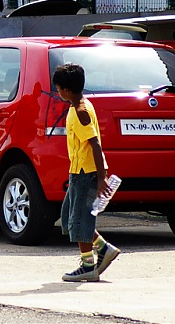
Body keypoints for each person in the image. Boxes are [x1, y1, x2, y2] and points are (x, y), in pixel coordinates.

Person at [53, 63, 120, 282]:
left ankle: (88, 265)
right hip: (78, 171)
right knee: (70, 218)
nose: (57, 92)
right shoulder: (79, 105)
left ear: (66, 90)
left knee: (80, 221)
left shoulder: (81, 111)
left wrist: (101, 178)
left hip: (86, 173)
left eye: (59, 88)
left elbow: (95, 145)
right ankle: (103, 248)